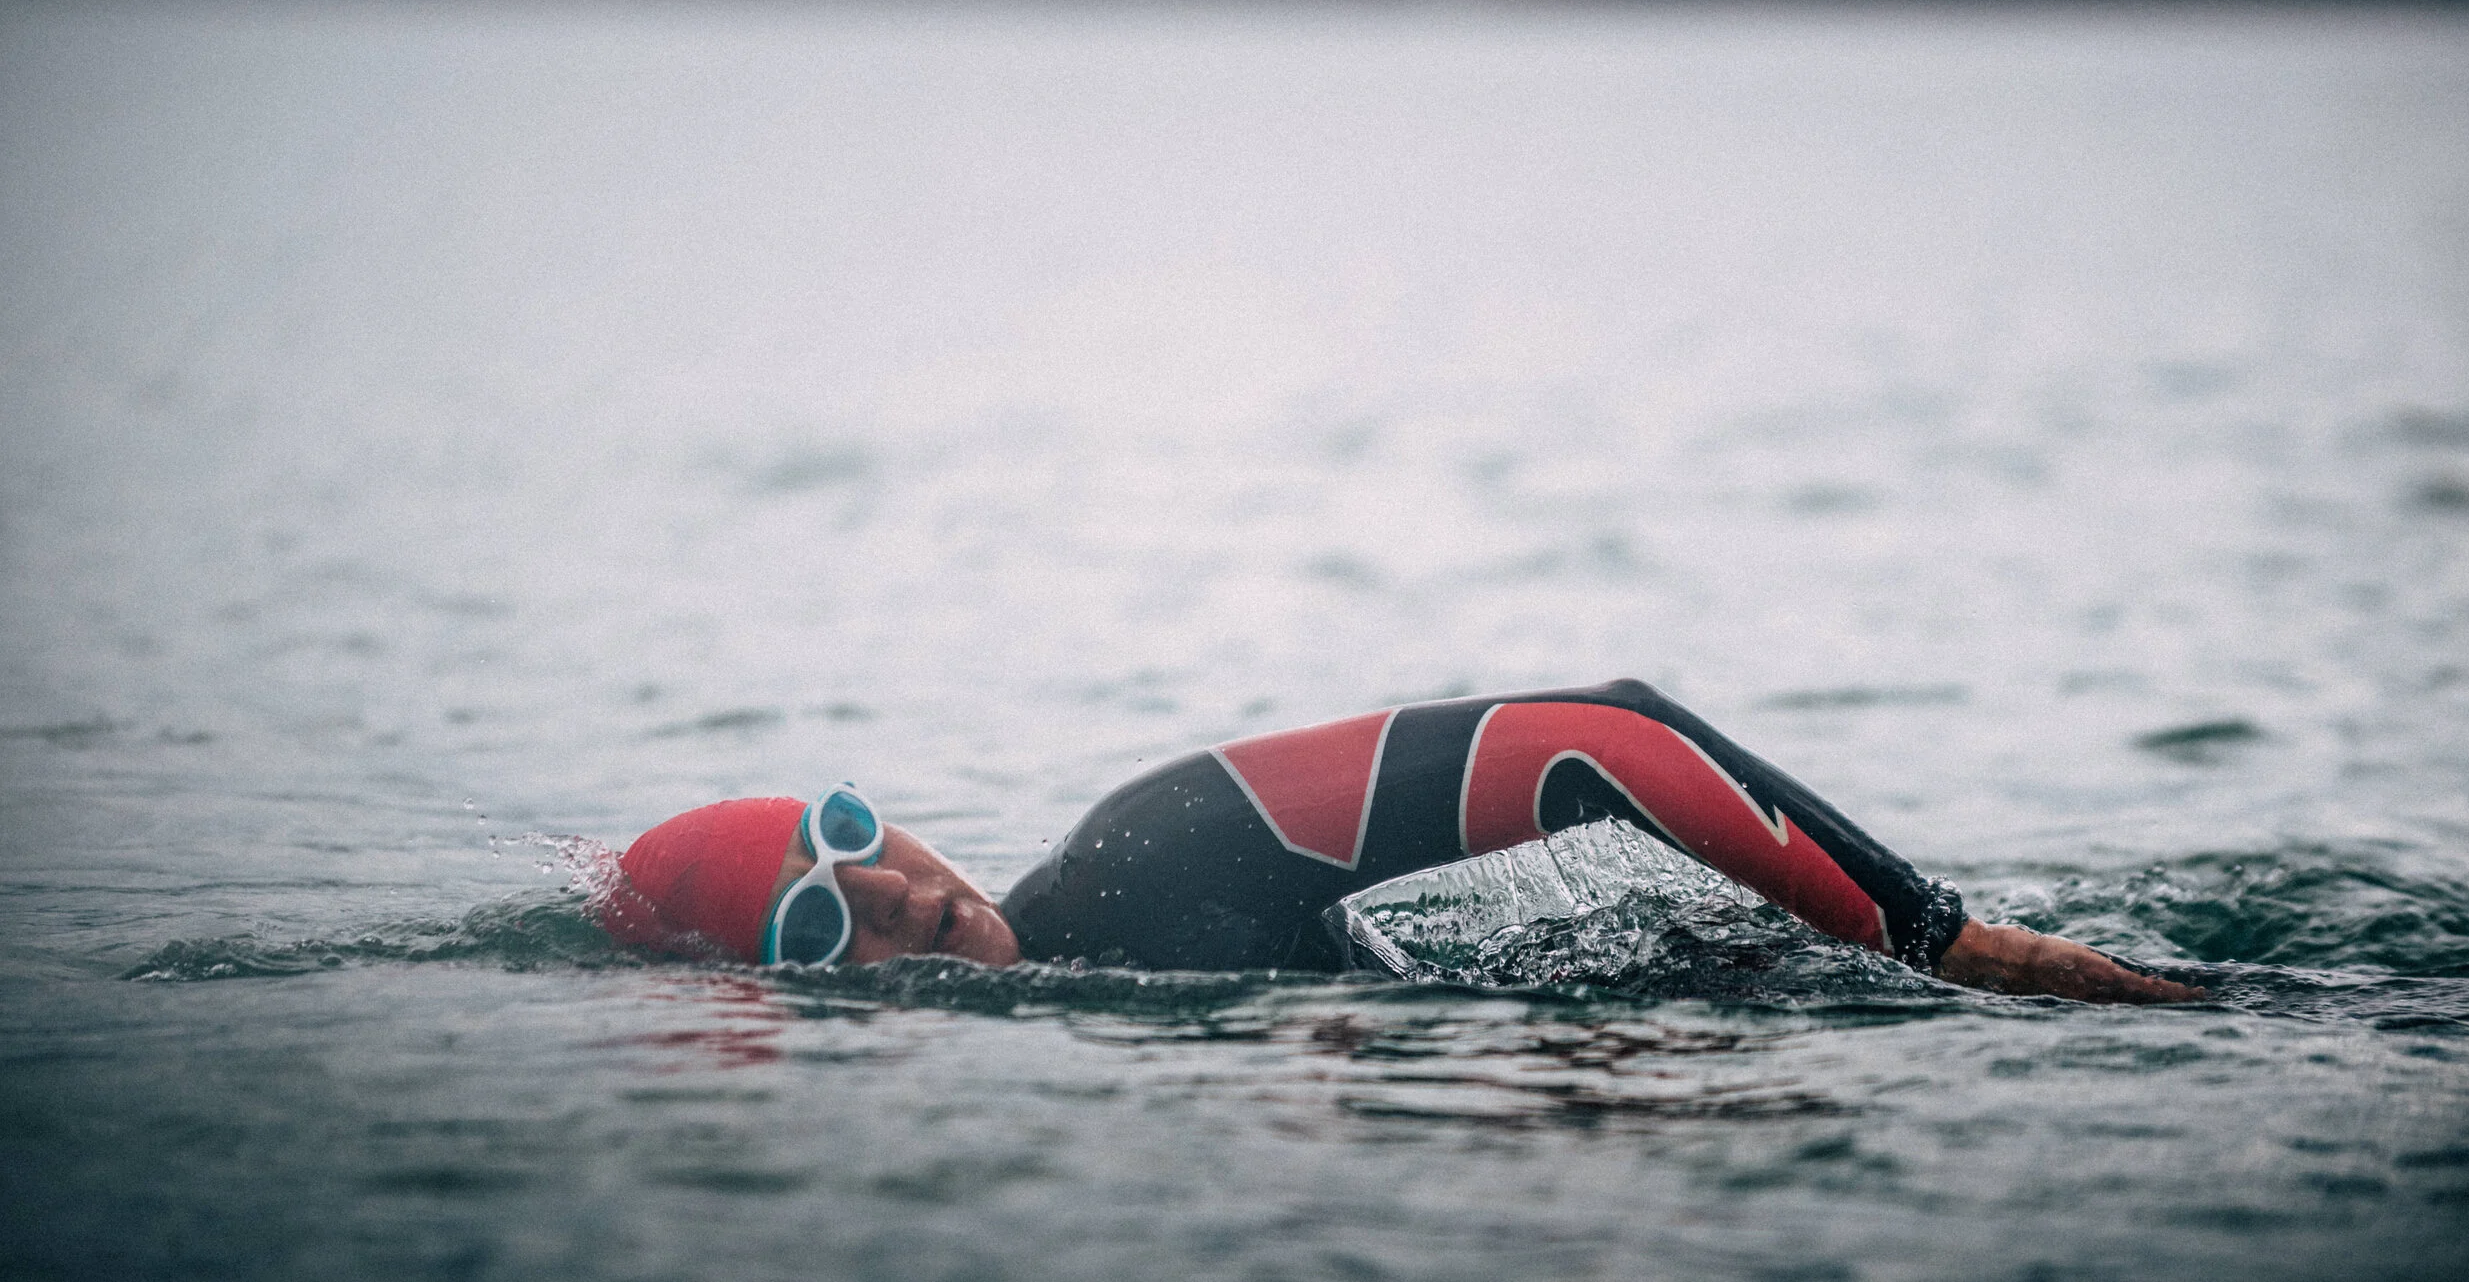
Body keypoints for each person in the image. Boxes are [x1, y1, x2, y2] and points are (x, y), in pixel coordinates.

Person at [601, 678, 2200, 1003]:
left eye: (851, 832)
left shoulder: (1159, 849)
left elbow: (1605, 741)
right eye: (820, 924)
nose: (889, 886)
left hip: (1845, 1016)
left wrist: (1943, 943)